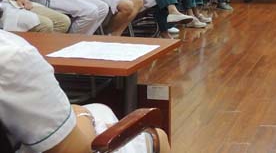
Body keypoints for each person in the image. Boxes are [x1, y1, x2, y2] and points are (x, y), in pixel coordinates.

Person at [0, 29, 171, 153]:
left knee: (100, 108)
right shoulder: (13, 55)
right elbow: (77, 150)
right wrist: (81, 113)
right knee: (156, 137)